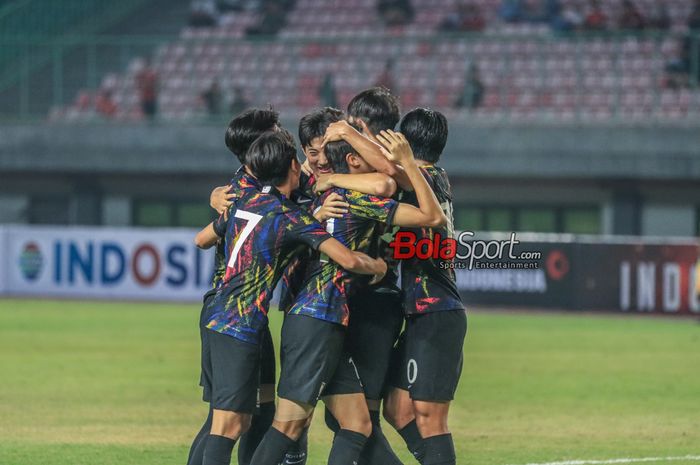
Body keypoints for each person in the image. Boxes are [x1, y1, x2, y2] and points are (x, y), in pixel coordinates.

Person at [248, 127, 446, 465]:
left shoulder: (321, 195)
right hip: (316, 319)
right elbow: (431, 216)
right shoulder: (357, 199)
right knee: (289, 424)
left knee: (357, 424)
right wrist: (377, 266)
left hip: (323, 317)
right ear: (354, 161)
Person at [193, 128, 386, 465]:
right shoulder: (291, 217)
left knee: (227, 420)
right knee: (229, 424)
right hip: (240, 325)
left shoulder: (244, 200)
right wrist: (377, 265)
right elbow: (348, 259)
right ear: (293, 169)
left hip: (216, 314)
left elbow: (202, 239)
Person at [383, 108, 467, 465]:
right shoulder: (436, 177)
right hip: (423, 311)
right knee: (397, 408)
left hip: (437, 312)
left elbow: (388, 178)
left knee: (430, 418)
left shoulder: (421, 181)